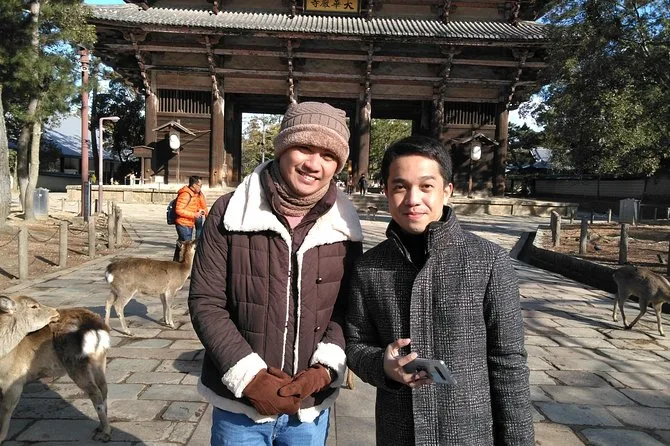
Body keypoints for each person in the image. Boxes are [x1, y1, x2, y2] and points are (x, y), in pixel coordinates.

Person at [188, 101, 363, 445]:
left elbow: (347, 308)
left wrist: (324, 371)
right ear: (282, 148)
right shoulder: (230, 212)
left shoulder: (345, 225)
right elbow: (206, 302)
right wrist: (250, 378)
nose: (314, 164)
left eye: (329, 155)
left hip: (309, 407)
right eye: (304, 148)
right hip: (239, 407)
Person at [345, 135, 533, 445]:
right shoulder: (369, 268)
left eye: (426, 186)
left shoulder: (488, 262)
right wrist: (383, 366)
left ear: (447, 190)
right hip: (399, 431)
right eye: (400, 186)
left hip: (471, 431)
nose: (413, 199)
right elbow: (355, 344)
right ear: (386, 191)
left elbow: (508, 362)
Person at [173, 175, 208, 260]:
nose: (201, 187)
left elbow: (195, 206)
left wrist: (200, 210)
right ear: (194, 185)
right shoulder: (185, 194)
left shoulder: (196, 194)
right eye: (200, 185)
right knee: (187, 246)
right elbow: (178, 210)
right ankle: (184, 264)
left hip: (189, 223)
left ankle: (176, 261)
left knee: (181, 244)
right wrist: (194, 215)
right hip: (183, 223)